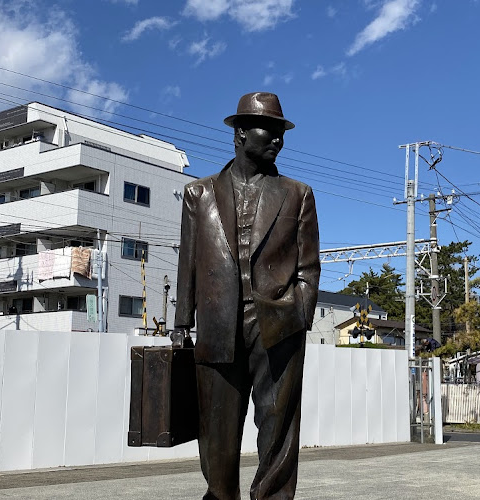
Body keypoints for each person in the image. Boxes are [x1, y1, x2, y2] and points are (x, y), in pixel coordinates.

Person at [174, 92, 320, 500]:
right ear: (240, 134)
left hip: (278, 323)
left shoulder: (298, 193)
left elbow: (309, 266)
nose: (277, 139)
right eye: (267, 130)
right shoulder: (198, 194)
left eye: (281, 132)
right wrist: (182, 324)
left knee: (278, 426)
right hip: (217, 323)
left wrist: (299, 313)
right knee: (216, 431)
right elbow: (188, 262)